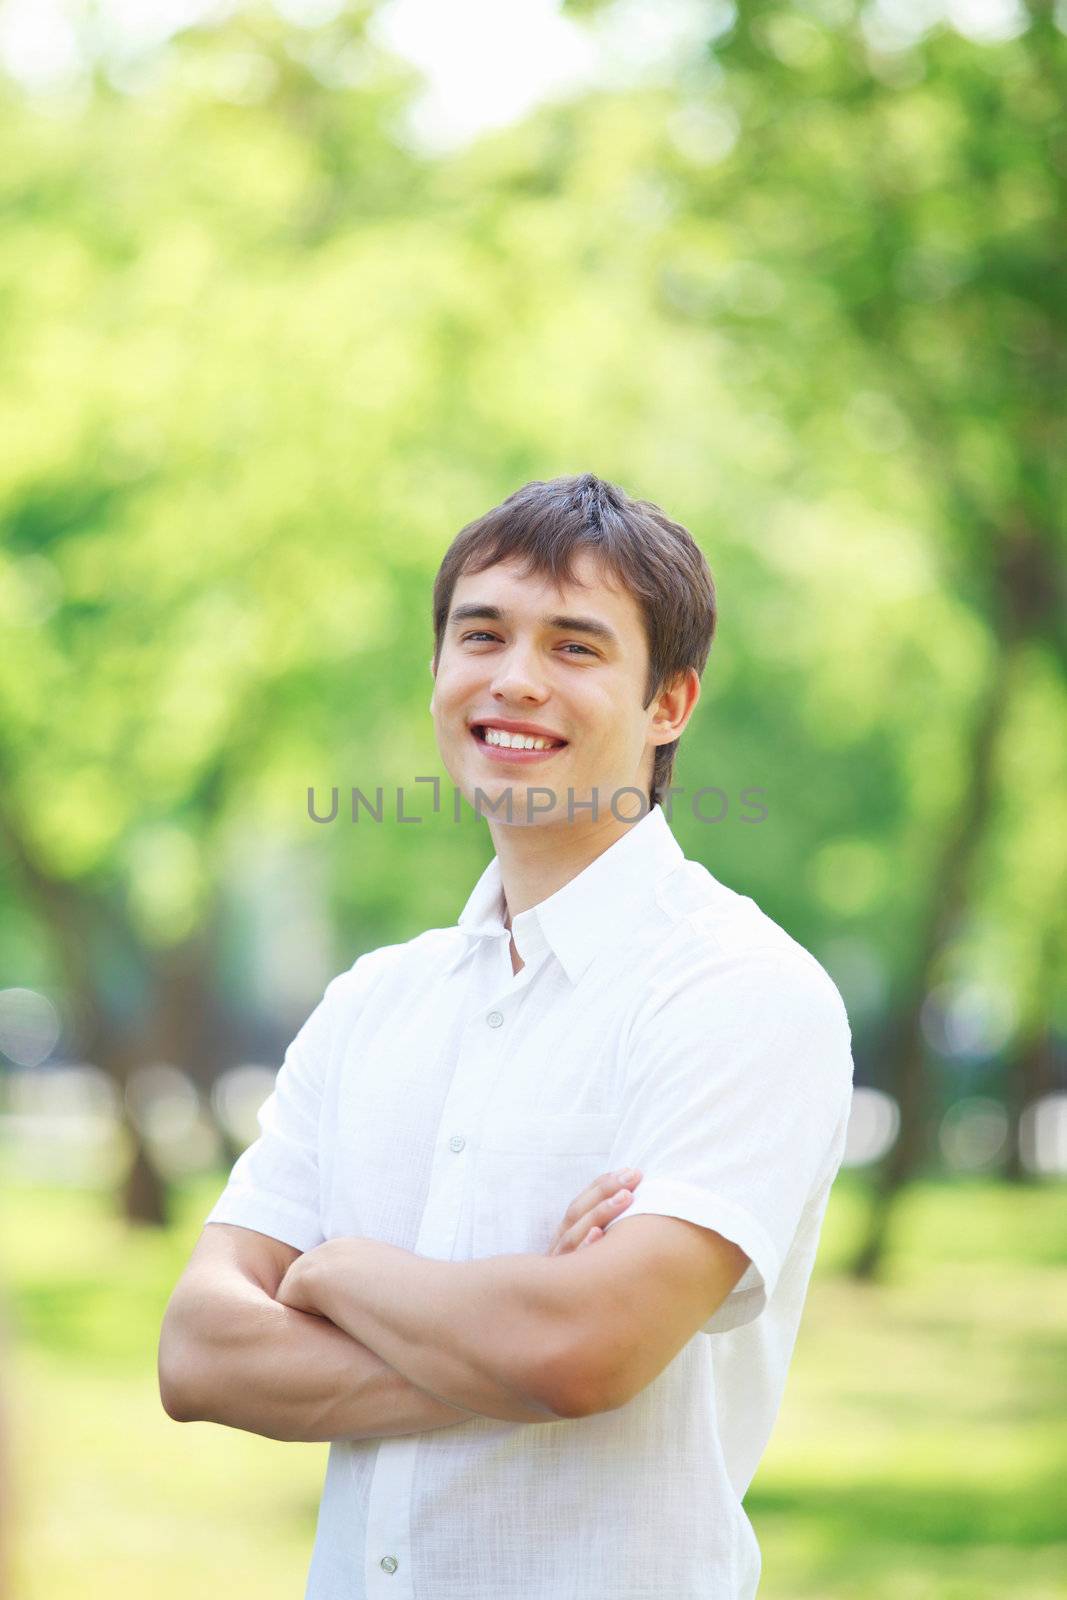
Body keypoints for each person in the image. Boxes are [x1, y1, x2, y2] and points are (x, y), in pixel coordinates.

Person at [159, 472, 854, 1600]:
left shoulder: (741, 991)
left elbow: (585, 1353)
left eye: (575, 647)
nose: (513, 680)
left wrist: (335, 1272)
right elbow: (197, 1353)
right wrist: (514, 1324)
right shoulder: (372, 1003)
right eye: (480, 635)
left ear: (668, 702)